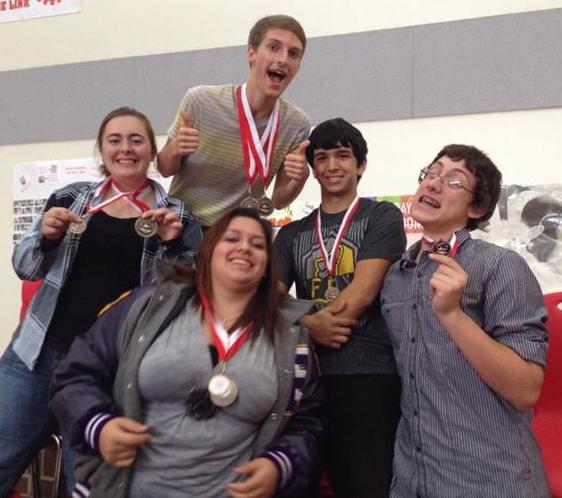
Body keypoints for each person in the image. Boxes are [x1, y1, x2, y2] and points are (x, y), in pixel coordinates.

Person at [50, 207, 324, 498]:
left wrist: (279, 465)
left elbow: (308, 422)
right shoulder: (148, 305)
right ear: (208, 251)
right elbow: (75, 373)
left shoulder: (292, 336)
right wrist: (99, 427)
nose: (245, 247)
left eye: (257, 245)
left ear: (268, 265)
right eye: (232, 239)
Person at [0, 107, 202, 497]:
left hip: (107, 372)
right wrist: (46, 237)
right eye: (115, 140)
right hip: (36, 356)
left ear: (151, 151)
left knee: (91, 486)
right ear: (101, 149)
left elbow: (189, 296)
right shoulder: (70, 198)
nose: (125, 148)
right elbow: (24, 267)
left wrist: (173, 244)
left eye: (136, 140)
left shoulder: (176, 214)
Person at [381, 144, 550, 497]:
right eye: (431, 173)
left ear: (478, 207)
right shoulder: (397, 275)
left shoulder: (501, 266)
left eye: (454, 182)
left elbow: (525, 389)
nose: (433, 184)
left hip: (491, 480)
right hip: (413, 479)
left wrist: (452, 314)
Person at [275, 118, 406, 497]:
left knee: (365, 484)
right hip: (306, 375)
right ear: (313, 168)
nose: (332, 166)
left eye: (343, 156)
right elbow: (268, 299)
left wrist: (303, 320)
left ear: (360, 164)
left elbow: (362, 293)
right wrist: (310, 325)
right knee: (304, 482)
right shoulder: (291, 233)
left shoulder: (381, 216)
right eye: (323, 157)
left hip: (368, 373)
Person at [158, 14, 311, 228]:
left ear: (298, 66)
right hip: (185, 229)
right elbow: (164, 168)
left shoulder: (297, 125)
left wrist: (300, 178)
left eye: (293, 54)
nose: (284, 59)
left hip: (240, 234)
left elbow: (278, 200)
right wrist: (174, 150)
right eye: (274, 47)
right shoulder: (201, 101)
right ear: (251, 54)